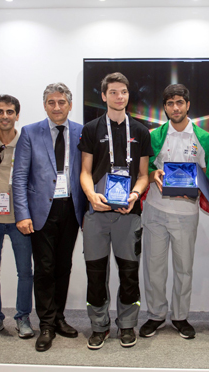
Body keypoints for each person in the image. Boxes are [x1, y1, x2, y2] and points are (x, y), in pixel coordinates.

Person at [79, 72, 153, 350]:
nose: (118, 96)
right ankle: (98, 326)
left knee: (129, 274)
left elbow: (144, 174)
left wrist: (134, 195)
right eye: (113, 92)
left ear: (128, 95)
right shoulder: (91, 129)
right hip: (97, 214)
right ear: (104, 96)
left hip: (128, 214)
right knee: (96, 274)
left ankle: (127, 325)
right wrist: (91, 195)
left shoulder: (141, 131)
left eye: (123, 91)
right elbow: (85, 172)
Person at [12, 83, 86, 352]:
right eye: (52, 102)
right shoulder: (30, 132)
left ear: (70, 104)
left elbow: (88, 172)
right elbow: (19, 176)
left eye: (62, 102)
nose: (57, 107)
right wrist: (21, 213)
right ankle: (45, 324)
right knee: (44, 268)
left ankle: (59, 317)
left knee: (63, 266)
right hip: (40, 211)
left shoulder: (81, 131)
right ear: (45, 105)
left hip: (71, 208)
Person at [139, 84, 209, 340]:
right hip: (155, 210)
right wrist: (153, 174)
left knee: (184, 268)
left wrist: (196, 185)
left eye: (180, 102)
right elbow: (143, 172)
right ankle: (156, 315)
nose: (175, 108)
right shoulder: (153, 136)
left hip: (187, 213)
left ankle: (180, 316)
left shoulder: (203, 138)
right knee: (154, 267)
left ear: (188, 105)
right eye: (170, 104)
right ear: (165, 107)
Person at [0, 95, 34, 342]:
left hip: (20, 219)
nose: (4, 116)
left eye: (10, 112)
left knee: (25, 271)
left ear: (17, 115)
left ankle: (22, 317)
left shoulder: (26, 142)